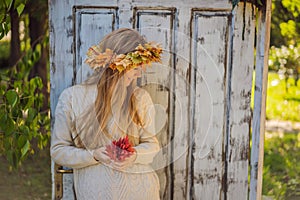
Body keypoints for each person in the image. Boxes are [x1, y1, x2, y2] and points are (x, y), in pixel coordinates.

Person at [51, 28, 163, 200]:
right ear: (116, 65)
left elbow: (152, 146)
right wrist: (93, 155)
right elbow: (58, 151)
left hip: (142, 192)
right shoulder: (72, 98)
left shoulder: (140, 98)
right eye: (136, 67)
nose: (140, 73)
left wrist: (133, 155)